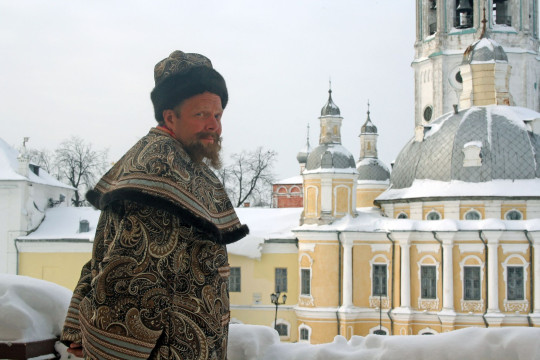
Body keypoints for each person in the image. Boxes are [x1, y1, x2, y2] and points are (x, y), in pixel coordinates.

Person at [60, 50, 249, 360]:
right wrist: (108, 349)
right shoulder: (163, 171)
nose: (214, 126)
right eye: (201, 114)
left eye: (218, 115)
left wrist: (79, 329)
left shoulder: (175, 161)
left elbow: (103, 256)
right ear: (170, 116)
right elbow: (133, 277)